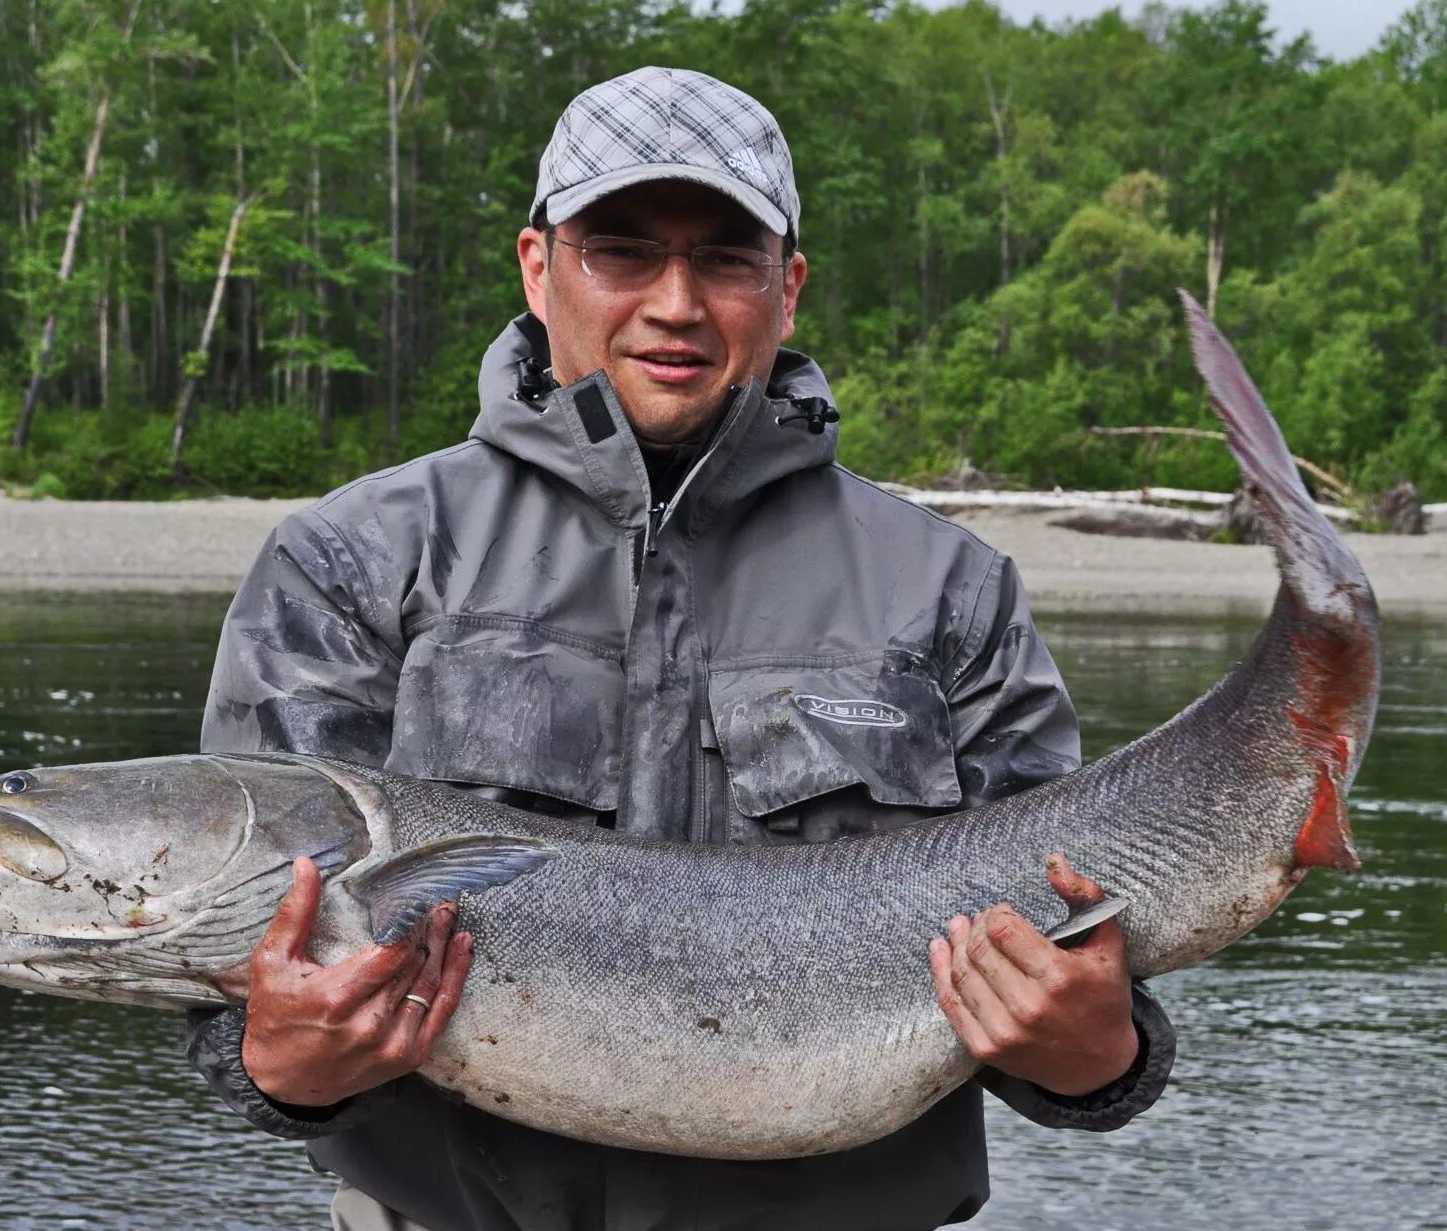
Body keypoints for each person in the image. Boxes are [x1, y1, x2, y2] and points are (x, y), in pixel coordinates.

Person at [187, 66, 1174, 1231]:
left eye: (723, 257)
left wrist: (1099, 1057)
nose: (675, 302)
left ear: (787, 286)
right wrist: (275, 1066)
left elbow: (1079, 958)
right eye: (621, 250)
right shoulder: (348, 561)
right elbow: (236, 975)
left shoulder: (951, 589)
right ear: (535, 265)